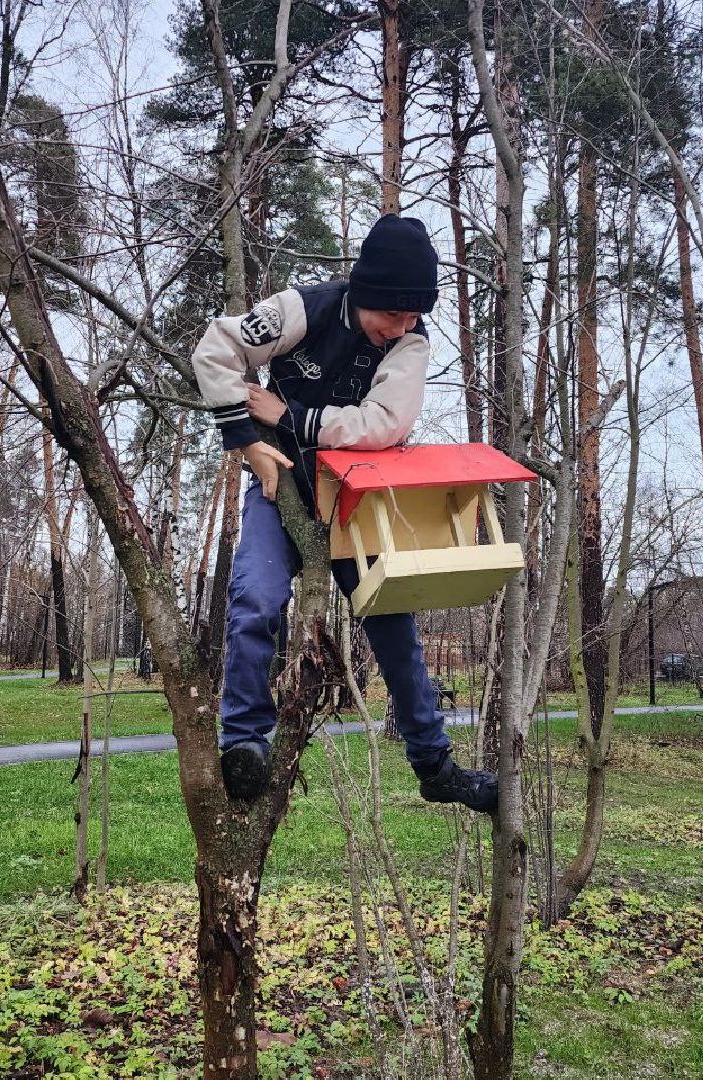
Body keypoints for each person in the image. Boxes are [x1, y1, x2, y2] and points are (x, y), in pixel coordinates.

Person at [191, 214, 498, 813]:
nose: (403, 326)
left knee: (396, 628)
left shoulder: (411, 342)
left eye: (414, 315)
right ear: (365, 294)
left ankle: (434, 766)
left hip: (361, 500)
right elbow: (217, 347)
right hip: (281, 484)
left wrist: (289, 417)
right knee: (255, 598)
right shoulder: (301, 309)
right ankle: (245, 742)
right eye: (393, 313)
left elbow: (385, 426)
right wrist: (247, 441)